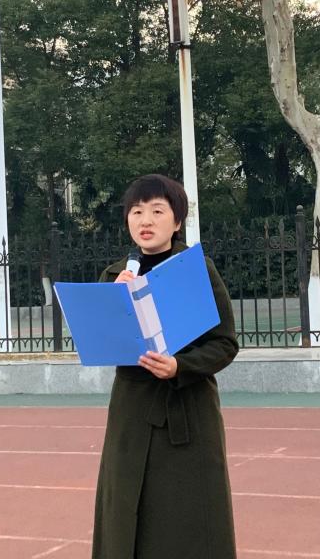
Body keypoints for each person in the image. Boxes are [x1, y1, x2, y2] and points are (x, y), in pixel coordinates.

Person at [91, 174, 239, 559]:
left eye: (158, 211)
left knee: (188, 516)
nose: (146, 220)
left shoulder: (196, 270)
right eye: (137, 211)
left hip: (187, 411)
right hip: (131, 410)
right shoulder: (114, 276)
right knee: (125, 510)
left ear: (177, 222)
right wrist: (114, 302)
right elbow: (101, 342)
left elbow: (225, 344)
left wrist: (179, 366)